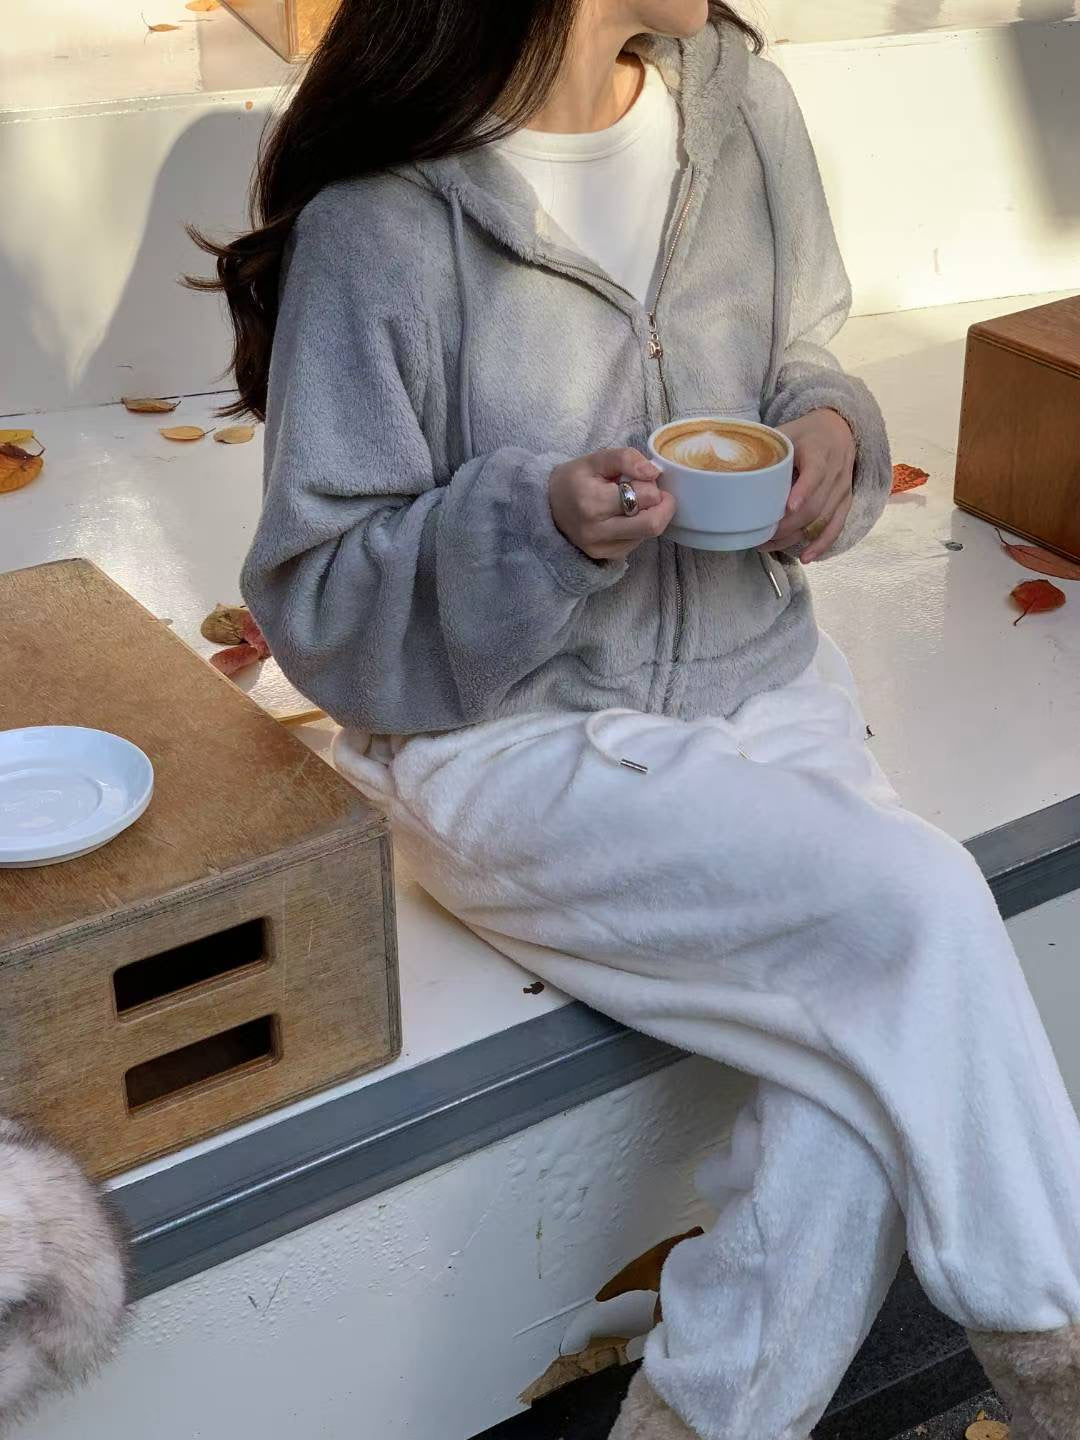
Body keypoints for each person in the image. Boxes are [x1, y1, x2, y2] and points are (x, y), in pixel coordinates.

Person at [195, 2, 1080, 1435]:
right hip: (506, 746)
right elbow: (323, 605)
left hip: (765, 685)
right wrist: (536, 527)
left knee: (865, 1077)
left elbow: (803, 354)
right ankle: (1058, 1353)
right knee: (920, 913)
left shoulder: (741, 108)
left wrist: (831, 433)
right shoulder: (383, 223)